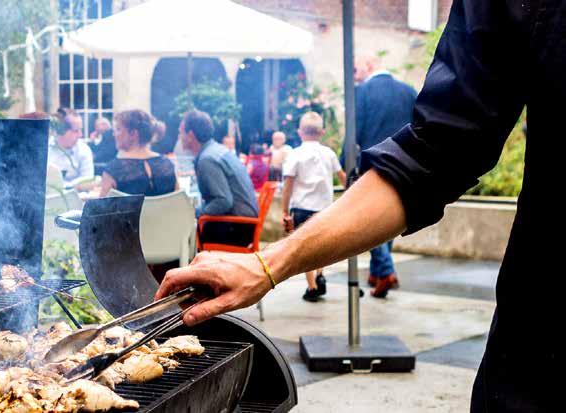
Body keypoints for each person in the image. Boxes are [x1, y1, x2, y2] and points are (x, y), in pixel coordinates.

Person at [158, 0, 562, 410]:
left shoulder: (365, 95)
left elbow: (422, 153)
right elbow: (436, 153)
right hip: (540, 354)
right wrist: (267, 264)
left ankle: (381, 272)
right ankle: (383, 272)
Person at [340, 55, 417, 298]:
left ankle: (385, 271)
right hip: (405, 162)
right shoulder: (408, 91)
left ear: (370, 65)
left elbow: (354, 131)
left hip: (373, 162)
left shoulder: (361, 92)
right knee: (390, 215)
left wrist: (344, 164)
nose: (354, 74)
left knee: (369, 218)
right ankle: (376, 272)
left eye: (356, 68)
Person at [283, 112, 346, 302]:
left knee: (305, 249)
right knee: (321, 247)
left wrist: (285, 211)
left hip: (302, 208)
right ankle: (320, 274)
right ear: (322, 133)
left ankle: (311, 287)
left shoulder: (295, 154)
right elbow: (343, 178)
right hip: (325, 209)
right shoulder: (329, 153)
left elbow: (288, 185)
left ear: (300, 132)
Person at [180, 110, 258, 247]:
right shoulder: (216, 150)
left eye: (181, 132)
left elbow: (223, 201)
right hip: (244, 222)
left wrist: (197, 213)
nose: (180, 137)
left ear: (191, 135)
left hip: (237, 227)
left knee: (182, 230)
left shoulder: (207, 159)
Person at [99, 109, 177, 197]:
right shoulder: (167, 165)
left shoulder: (113, 171)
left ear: (133, 134)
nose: (114, 134)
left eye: (118, 129)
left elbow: (100, 210)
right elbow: (180, 202)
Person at [48, 109, 94, 184]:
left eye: (80, 130)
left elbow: (87, 181)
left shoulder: (84, 150)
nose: (80, 135)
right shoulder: (45, 149)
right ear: (61, 131)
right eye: (76, 131)